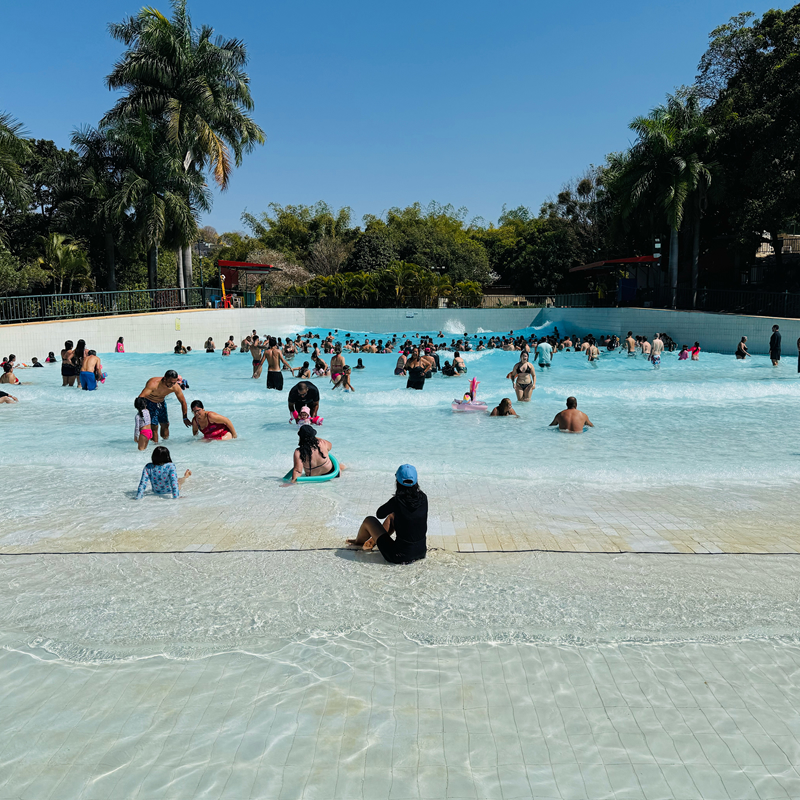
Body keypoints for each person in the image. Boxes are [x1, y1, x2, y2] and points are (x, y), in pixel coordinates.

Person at [346, 465, 427, 564]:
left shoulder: (397, 501)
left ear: (397, 481)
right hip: (421, 552)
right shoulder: (423, 498)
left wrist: (394, 502)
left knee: (369, 520)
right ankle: (372, 541)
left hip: (398, 556)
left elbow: (379, 514)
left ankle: (358, 543)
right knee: (392, 516)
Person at [138, 370, 192, 442]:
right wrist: (142, 413)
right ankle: (155, 445)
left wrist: (185, 418)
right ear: (165, 378)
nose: (172, 385)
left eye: (174, 382)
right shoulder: (153, 384)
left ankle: (165, 443)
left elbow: (183, 402)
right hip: (149, 403)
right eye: (170, 382)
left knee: (165, 425)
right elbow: (140, 398)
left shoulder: (175, 386)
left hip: (161, 403)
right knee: (154, 426)